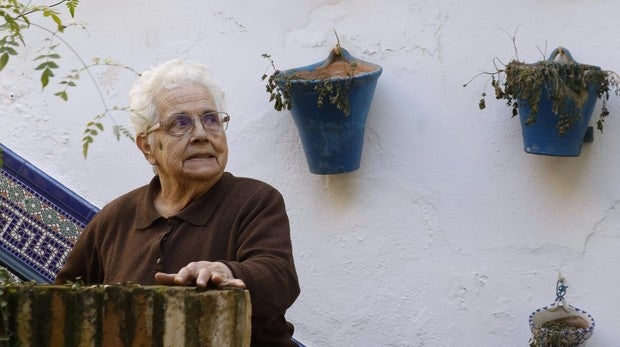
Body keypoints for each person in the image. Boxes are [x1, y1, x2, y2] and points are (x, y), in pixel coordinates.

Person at [55, 59, 301, 346]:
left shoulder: (255, 201)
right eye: (180, 123)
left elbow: (279, 278)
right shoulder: (115, 219)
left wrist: (226, 272)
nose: (200, 134)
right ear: (147, 146)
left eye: (211, 119)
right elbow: (65, 304)